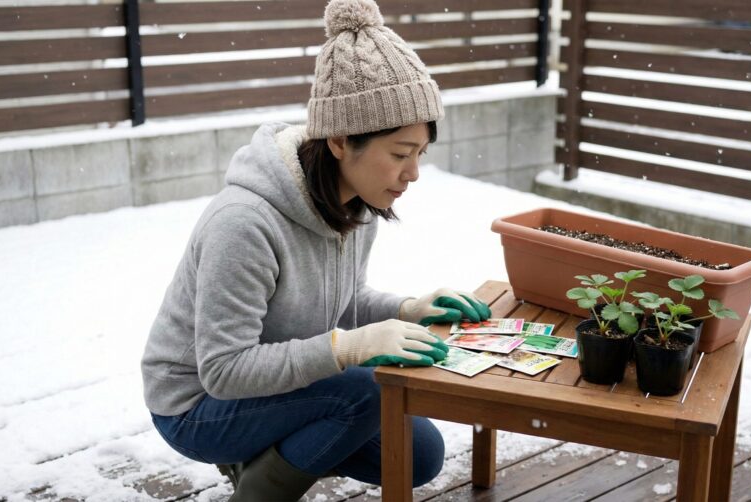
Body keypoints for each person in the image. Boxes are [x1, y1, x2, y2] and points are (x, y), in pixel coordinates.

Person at [140, 0, 491, 500]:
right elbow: (223, 369)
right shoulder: (243, 223)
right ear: (342, 141)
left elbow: (341, 303)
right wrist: (349, 348)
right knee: (369, 390)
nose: (412, 174)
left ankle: (268, 452)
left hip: (274, 384)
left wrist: (408, 309)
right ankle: (258, 488)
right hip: (197, 406)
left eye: (420, 154)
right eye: (399, 154)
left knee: (419, 455)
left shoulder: (357, 203)